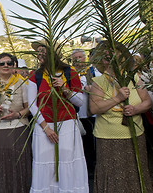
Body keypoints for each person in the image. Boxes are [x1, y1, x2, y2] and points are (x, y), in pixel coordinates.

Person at [89, 41, 153, 192]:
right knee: (113, 176)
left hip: (135, 135)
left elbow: (147, 102)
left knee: (135, 172)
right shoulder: (99, 82)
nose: (108, 56)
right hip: (108, 139)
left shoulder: (134, 78)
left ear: (122, 57)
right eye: (105, 55)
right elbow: (94, 108)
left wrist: (135, 109)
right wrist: (117, 98)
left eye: (112, 53)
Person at [28, 47, 89, 192]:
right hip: (43, 126)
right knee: (45, 164)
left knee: (67, 162)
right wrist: (46, 128)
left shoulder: (69, 72)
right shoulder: (35, 75)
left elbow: (80, 102)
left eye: (44, 52)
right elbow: (32, 105)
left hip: (67, 124)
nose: (40, 55)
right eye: (39, 53)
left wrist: (64, 89)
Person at [0, 53, 32, 193]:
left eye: (9, 63)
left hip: (19, 127)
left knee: (19, 163)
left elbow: (29, 107)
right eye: (2, 64)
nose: (5, 66)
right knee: (1, 164)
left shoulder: (21, 82)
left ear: (13, 65)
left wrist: (17, 114)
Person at [71, 48, 96, 179]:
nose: (79, 59)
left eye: (81, 57)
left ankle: (91, 168)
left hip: (90, 113)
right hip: (75, 114)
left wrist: (91, 89)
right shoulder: (69, 73)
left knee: (90, 142)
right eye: (77, 57)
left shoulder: (90, 72)